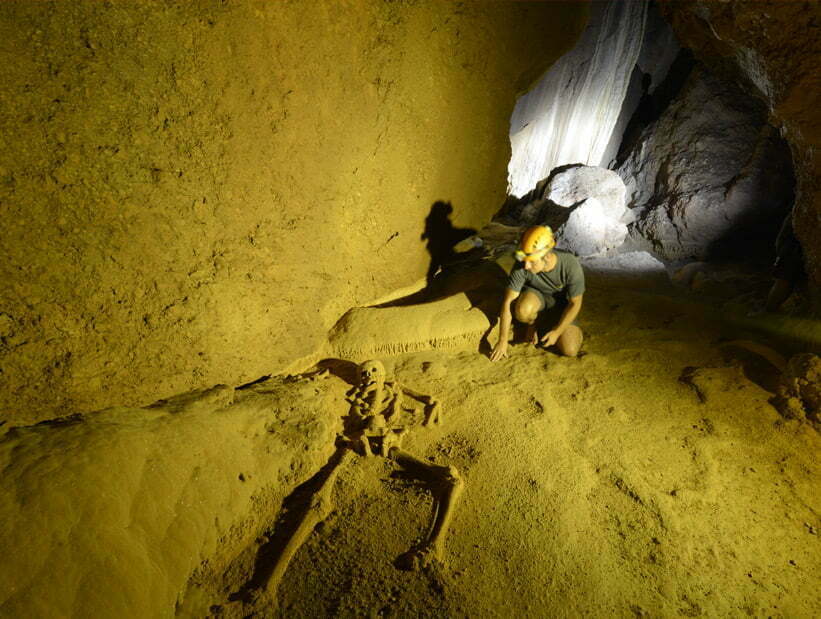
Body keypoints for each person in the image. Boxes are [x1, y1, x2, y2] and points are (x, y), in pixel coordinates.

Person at [490, 225, 584, 361]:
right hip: (536, 298)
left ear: (547, 257)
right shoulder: (522, 264)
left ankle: (560, 327)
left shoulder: (570, 265)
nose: (526, 266)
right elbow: (507, 302)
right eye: (525, 259)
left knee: (570, 350)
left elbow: (575, 303)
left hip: (562, 307)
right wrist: (502, 340)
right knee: (523, 310)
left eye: (532, 262)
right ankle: (534, 324)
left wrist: (557, 332)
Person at [765, 209, 805, 313]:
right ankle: (770, 310)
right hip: (791, 250)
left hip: (789, 248)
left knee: (786, 282)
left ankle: (772, 310)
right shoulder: (799, 212)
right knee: (784, 281)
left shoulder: (796, 210)